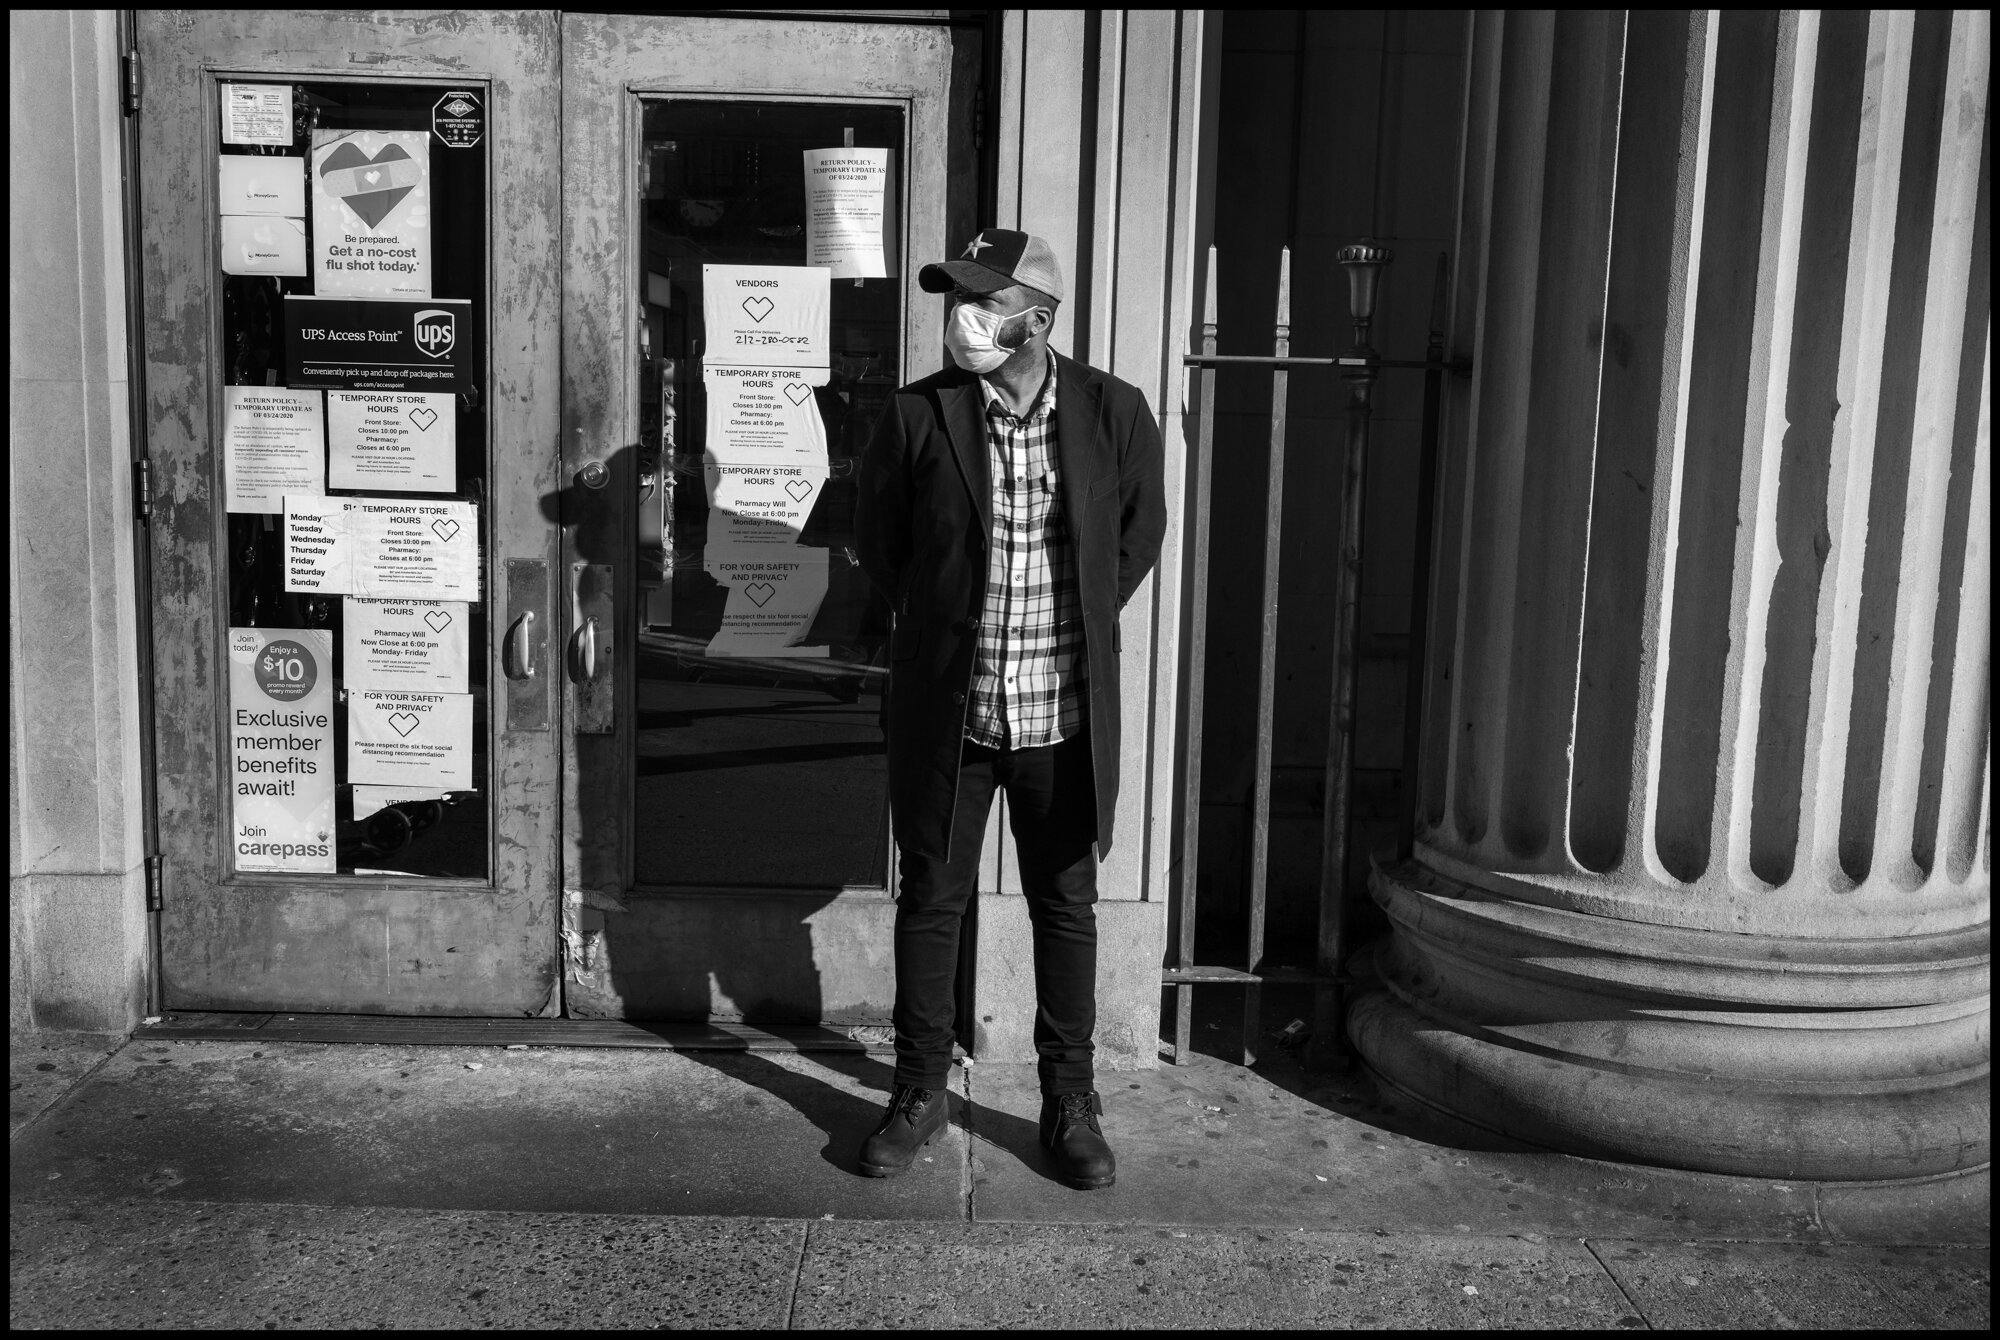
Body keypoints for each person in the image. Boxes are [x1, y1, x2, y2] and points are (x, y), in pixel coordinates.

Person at [853, 228, 1166, 1189]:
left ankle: (1069, 1100)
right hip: (956, 712)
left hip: (1063, 712)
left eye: (984, 299)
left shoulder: (1114, 411)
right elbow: (882, 543)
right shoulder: (918, 417)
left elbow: (1138, 533)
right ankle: (918, 1091)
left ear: (1039, 316)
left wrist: (1075, 613)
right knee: (931, 901)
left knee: (1065, 906)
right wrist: (943, 625)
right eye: (957, 295)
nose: (964, 317)